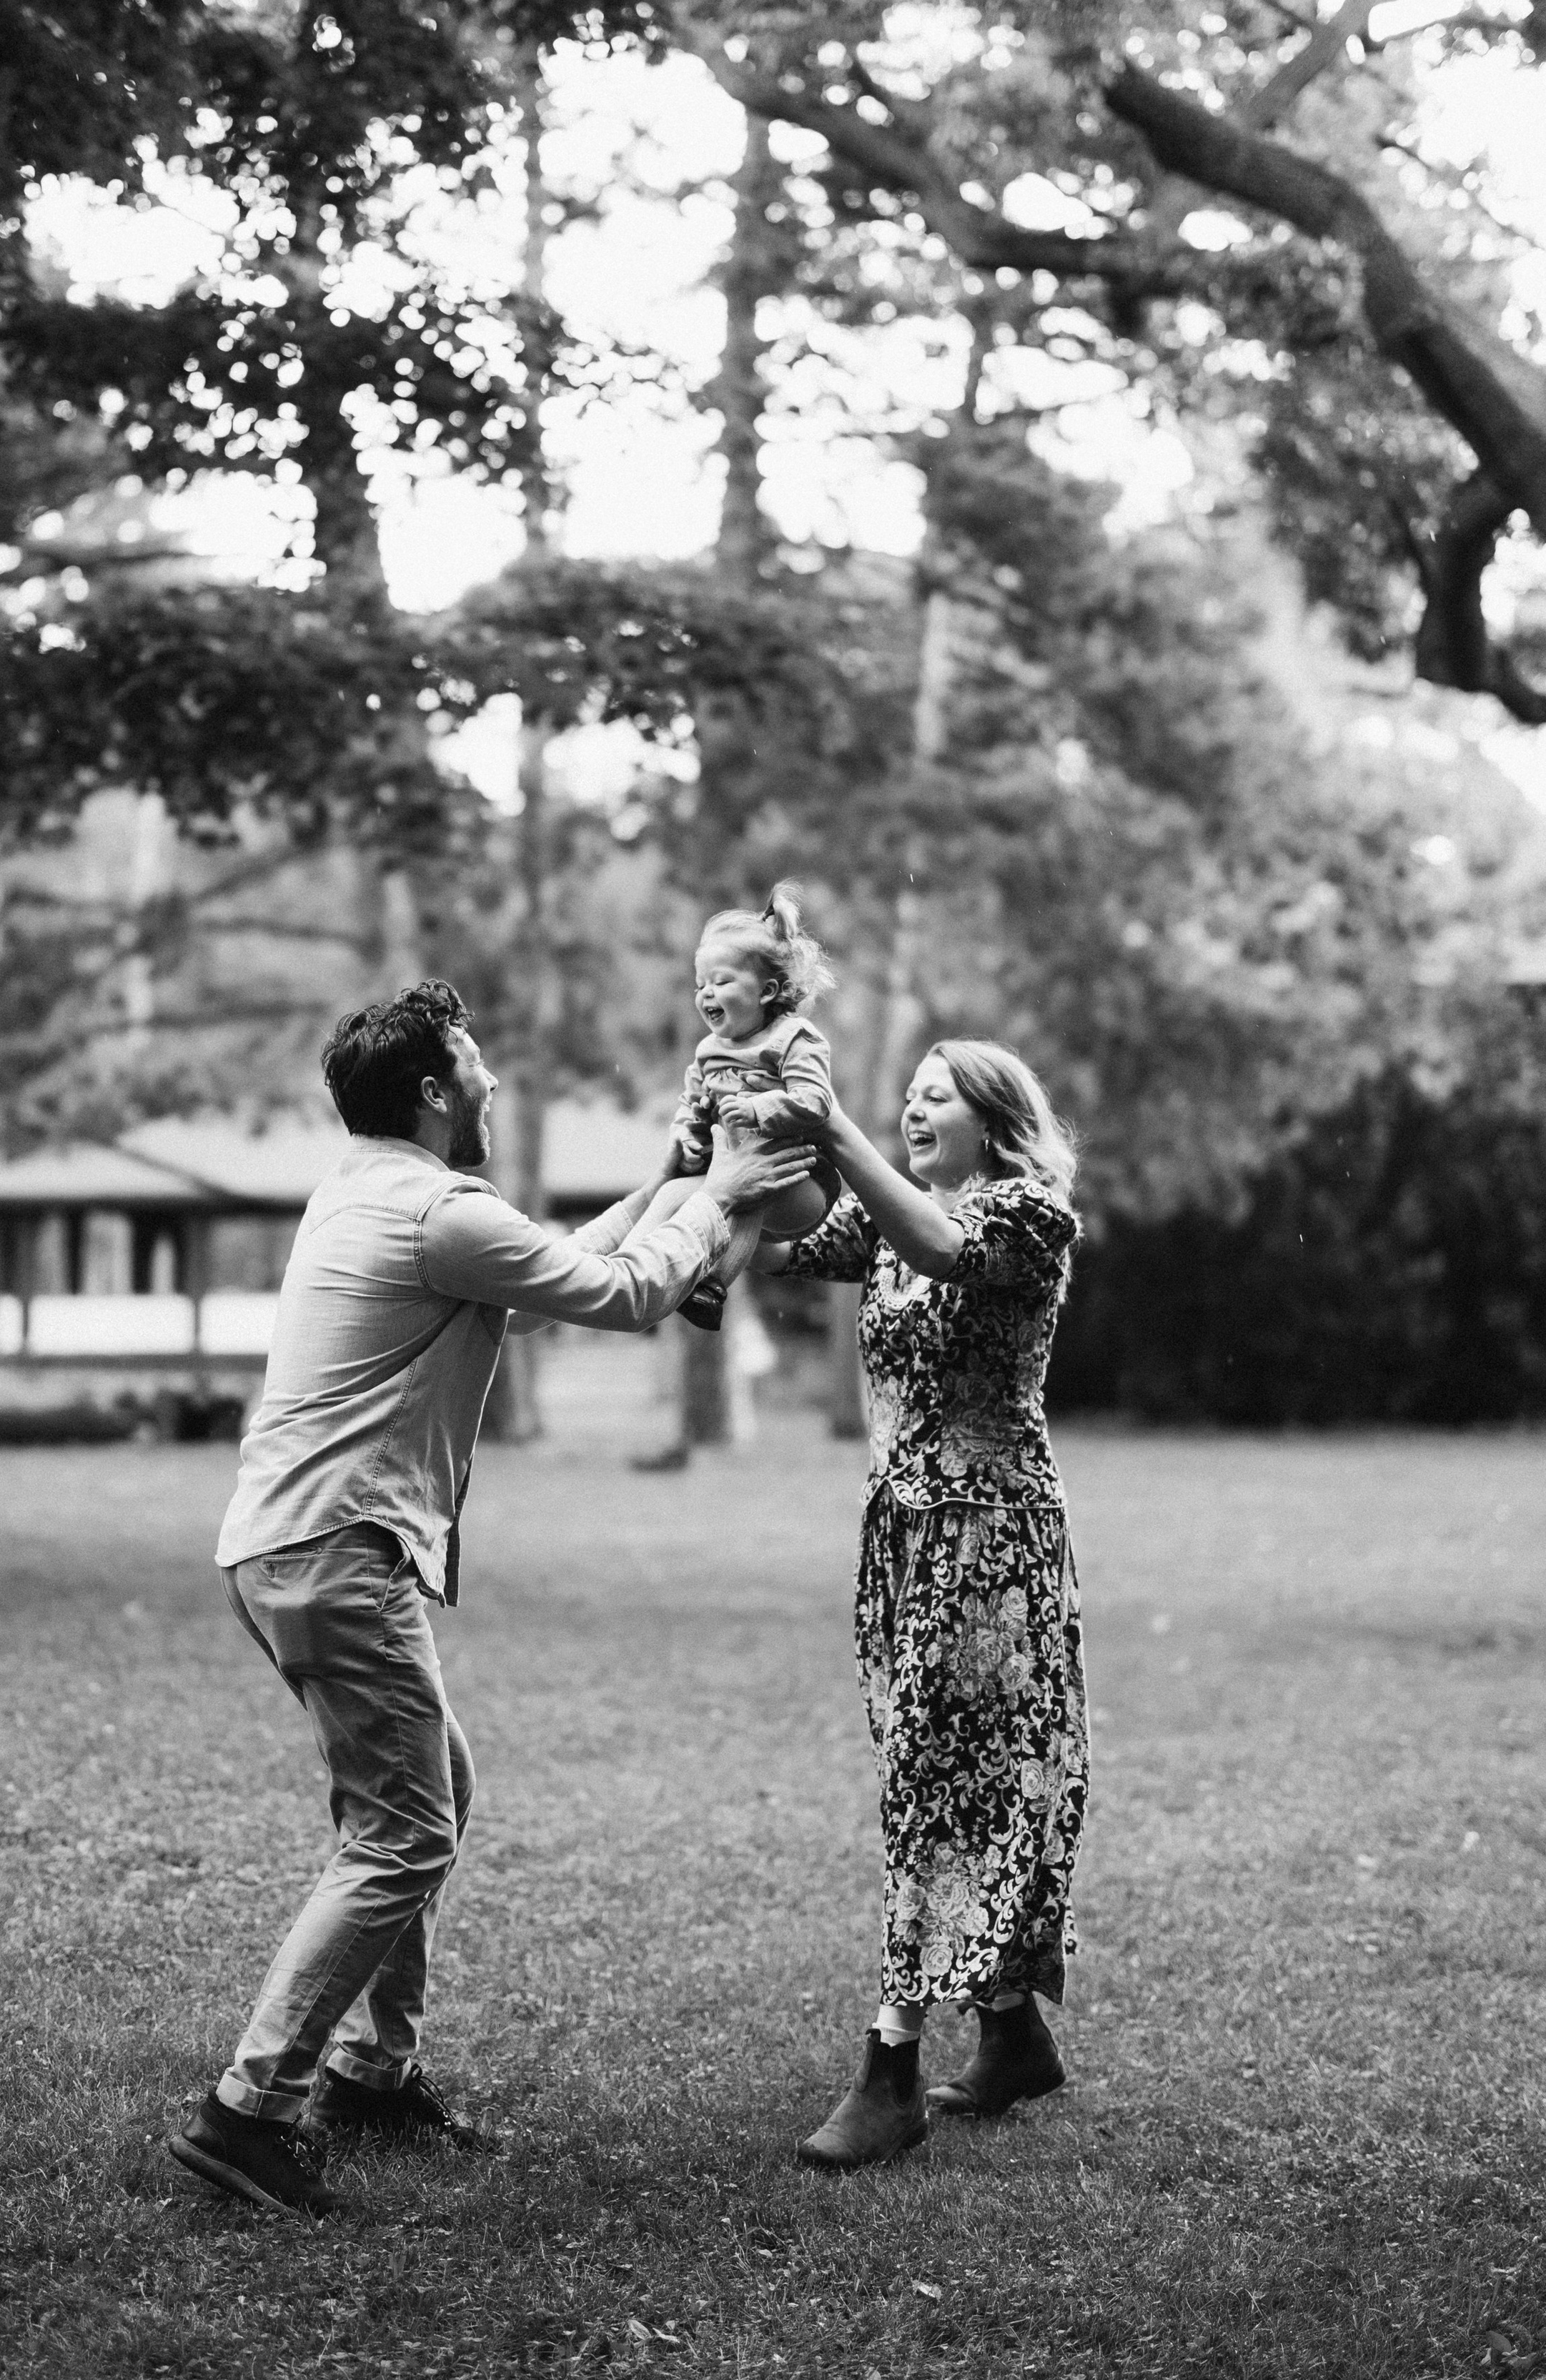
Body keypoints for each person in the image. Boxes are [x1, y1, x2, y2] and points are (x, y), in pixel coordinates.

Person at [168, 980, 813, 2220]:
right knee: (405, 1831)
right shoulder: (436, 1211)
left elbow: (558, 1260)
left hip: (292, 1544)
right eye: (474, 1061)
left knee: (427, 1799)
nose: (494, 1079)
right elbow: (624, 1295)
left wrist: (673, 1177)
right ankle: (247, 2111)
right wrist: (722, 1193)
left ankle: (372, 2075)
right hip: (337, 1552)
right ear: (432, 1089)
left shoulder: (374, 1190)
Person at [760, 1039, 1088, 2169]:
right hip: (903, 1535)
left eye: (935, 1094)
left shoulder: (1028, 1216)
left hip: (990, 1538)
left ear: (992, 1117)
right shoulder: (890, 1214)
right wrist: (744, 1133)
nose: (912, 1107)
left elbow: (944, 1249)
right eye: (907, 1093)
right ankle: (1012, 2036)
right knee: (943, 1770)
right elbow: (791, 1238)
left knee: (929, 1780)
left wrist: (835, 1127)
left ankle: (891, 2067)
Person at [642, 882, 842, 1332]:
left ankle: (712, 1285)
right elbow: (689, 1103)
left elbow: (817, 1102)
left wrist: (758, 1110)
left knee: (747, 1194)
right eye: (700, 985)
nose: (706, 994)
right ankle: (629, 1268)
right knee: (671, 1194)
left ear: (767, 991)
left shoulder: (793, 1038)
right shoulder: (709, 1050)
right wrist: (687, 1135)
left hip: (801, 1180)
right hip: (733, 1174)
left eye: (722, 982)